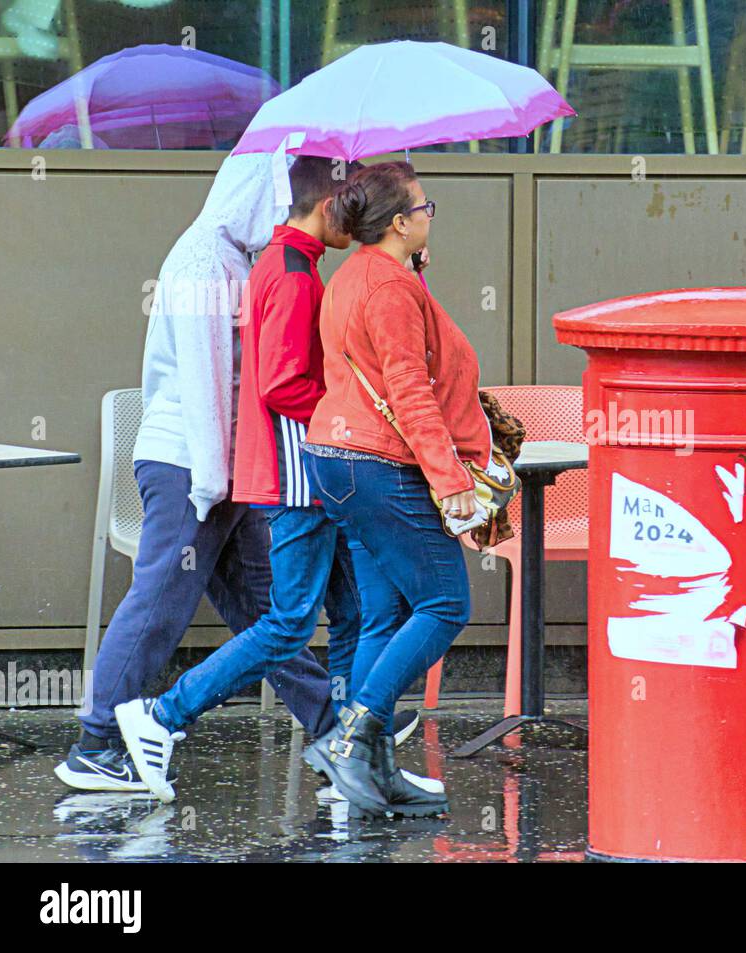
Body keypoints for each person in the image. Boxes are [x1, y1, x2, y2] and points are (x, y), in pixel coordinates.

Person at [111, 157, 423, 805]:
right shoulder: (287, 273)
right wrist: (349, 409)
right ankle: (158, 717)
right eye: (352, 201)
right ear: (324, 204)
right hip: (295, 475)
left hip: (305, 471)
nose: (360, 214)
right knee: (286, 621)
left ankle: (348, 749)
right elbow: (282, 383)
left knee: (350, 610)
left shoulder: (294, 266)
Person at [55, 154, 337, 792]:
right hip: (191, 464)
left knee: (267, 610)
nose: (282, 219)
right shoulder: (205, 261)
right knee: (159, 602)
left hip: (215, 466)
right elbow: (209, 382)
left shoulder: (227, 255)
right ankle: (95, 745)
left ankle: (330, 730)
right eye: (278, 204)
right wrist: (213, 485)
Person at [300, 161, 494, 815]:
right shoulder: (387, 288)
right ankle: (352, 742)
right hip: (378, 464)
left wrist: (415, 270)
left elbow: (386, 367)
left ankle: (373, 770)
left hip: (340, 458)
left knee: (384, 615)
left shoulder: (360, 275)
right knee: (443, 604)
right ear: (401, 221)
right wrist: (451, 481)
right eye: (425, 207)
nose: (431, 215)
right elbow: (409, 388)